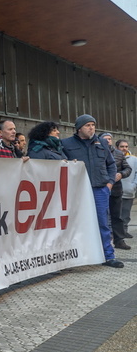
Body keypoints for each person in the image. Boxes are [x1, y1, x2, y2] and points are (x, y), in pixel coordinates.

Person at [61, 115, 123, 268]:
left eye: (93, 125)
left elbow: (111, 165)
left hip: (100, 189)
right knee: (75, 224)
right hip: (77, 192)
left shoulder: (101, 143)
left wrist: (109, 184)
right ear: (79, 128)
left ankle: (108, 256)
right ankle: (76, 258)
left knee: (102, 223)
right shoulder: (66, 144)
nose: (91, 128)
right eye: (88, 125)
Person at [99, 133, 131, 250]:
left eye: (110, 139)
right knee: (102, 216)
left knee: (117, 216)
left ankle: (119, 240)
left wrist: (121, 174)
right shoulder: (97, 152)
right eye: (105, 139)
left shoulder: (118, 154)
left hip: (116, 190)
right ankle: (104, 241)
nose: (108, 141)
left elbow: (128, 168)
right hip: (101, 189)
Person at [117, 139, 137, 238]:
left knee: (126, 213)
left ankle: (124, 231)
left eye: (126, 146)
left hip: (129, 191)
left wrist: (134, 185)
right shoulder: (113, 158)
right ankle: (117, 233)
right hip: (116, 191)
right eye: (122, 146)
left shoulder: (134, 159)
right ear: (117, 147)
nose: (124, 148)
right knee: (117, 214)